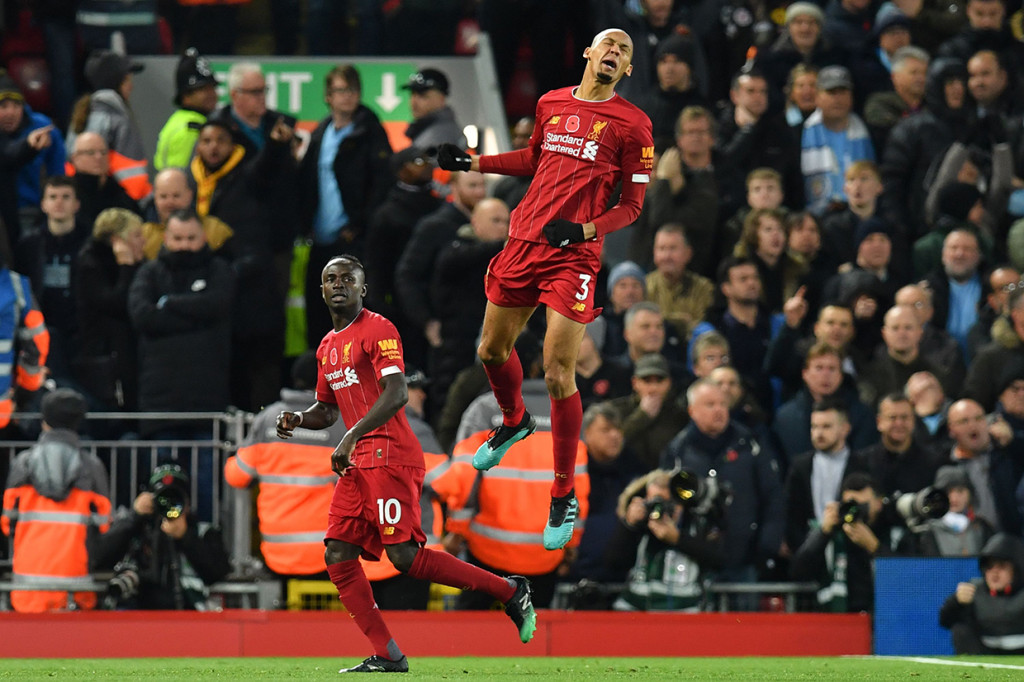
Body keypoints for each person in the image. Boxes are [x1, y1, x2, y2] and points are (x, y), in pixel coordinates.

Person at [434, 27, 655, 551]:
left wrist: (583, 231)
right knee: (490, 351)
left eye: (625, 51)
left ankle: (561, 493)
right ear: (588, 53)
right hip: (524, 239)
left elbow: (633, 206)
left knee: (558, 372)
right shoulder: (551, 102)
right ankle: (512, 421)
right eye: (609, 44)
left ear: (626, 70)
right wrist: (474, 163)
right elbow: (534, 159)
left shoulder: (635, 126)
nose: (615, 53)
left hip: (574, 256)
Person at [275, 256, 536, 673]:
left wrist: (352, 434)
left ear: (363, 289)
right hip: (359, 461)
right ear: (321, 291)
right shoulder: (327, 346)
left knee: (405, 558)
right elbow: (326, 409)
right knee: (338, 553)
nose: (338, 284)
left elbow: (396, 393)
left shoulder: (378, 329)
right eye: (329, 279)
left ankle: (508, 590)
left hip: (389, 454)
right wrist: (299, 419)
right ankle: (387, 653)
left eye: (347, 278)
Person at [224, 351, 348, 578]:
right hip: (326, 554)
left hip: (275, 553)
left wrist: (233, 455)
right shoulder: (338, 423)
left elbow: (237, 476)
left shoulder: (268, 419)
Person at [660, 379, 784, 599]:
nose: (719, 410)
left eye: (722, 404)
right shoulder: (677, 451)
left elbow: (773, 497)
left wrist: (766, 548)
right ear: (692, 411)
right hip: (693, 562)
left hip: (745, 561)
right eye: (710, 404)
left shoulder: (751, 444)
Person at [299, 64, 393, 340]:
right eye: (341, 90)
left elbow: (381, 185)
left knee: (354, 317)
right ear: (328, 96)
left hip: (354, 240)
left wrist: (360, 225)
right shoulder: (321, 133)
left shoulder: (371, 132)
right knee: (319, 314)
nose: (347, 96)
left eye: (352, 89)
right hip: (321, 240)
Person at [1, 389, 110, 612]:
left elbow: (7, 524)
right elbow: (105, 527)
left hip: (26, 592)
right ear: (78, 422)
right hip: (76, 591)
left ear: (44, 420)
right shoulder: (91, 467)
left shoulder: (23, 464)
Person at [92, 463, 231, 610]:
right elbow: (98, 559)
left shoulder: (203, 532)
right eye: (162, 498)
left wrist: (186, 537)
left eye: (175, 498)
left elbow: (219, 572)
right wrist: (133, 517)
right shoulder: (137, 529)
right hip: (136, 616)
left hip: (188, 618)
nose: (169, 505)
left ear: (187, 503)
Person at [606, 468, 726, 611]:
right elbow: (613, 563)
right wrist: (629, 525)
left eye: (669, 503)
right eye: (655, 502)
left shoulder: (695, 524)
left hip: (684, 614)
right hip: (636, 611)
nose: (662, 510)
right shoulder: (640, 528)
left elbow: (720, 557)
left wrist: (677, 538)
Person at [74, 207, 144, 411]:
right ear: (117, 240)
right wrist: (126, 267)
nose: (144, 241)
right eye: (137, 235)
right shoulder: (91, 265)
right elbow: (115, 304)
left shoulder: (142, 265)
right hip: (103, 358)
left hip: (128, 352)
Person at [791, 471, 891, 613]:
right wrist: (823, 533)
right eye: (851, 505)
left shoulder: (892, 532)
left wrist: (875, 548)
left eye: (862, 506)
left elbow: (910, 579)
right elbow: (798, 573)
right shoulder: (834, 535)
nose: (856, 511)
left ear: (879, 503)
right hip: (841, 620)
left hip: (884, 619)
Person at [784, 399, 870, 552]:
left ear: (845, 429)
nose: (818, 433)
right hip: (809, 552)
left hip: (851, 550)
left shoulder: (863, 465)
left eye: (826, 426)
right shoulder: (800, 466)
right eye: (814, 427)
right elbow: (791, 513)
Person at [67, 50, 151, 202]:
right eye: (127, 80)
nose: (131, 86)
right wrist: (138, 204)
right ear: (116, 83)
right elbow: (131, 176)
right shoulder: (115, 118)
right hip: (115, 202)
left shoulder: (85, 113)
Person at [939, 533, 1024, 654]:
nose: (994, 573)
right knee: (960, 629)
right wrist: (956, 602)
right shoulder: (973, 590)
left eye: (1001, 566)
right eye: (989, 567)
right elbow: (945, 621)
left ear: (1017, 569)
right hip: (984, 651)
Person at [860, 393, 944, 500]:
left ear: (913, 421)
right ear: (879, 422)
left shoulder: (934, 463)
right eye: (892, 418)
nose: (899, 423)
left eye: (904, 417)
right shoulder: (862, 463)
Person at [154, 48, 219, 172]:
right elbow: (182, 177)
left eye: (212, 87)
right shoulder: (190, 129)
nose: (212, 94)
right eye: (203, 89)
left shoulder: (182, 119)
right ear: (186, 97)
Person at [917, 465, 995, 557]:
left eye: (960, 491)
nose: (954, 498)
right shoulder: (927, 531)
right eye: (948, 492)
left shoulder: (983, 527)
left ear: (970, 494)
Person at [402, 68, 467, 151]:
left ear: (441, 99)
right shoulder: (430, 128)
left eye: (422, 95)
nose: (414, 102)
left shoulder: (443, 133)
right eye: (413, 94)